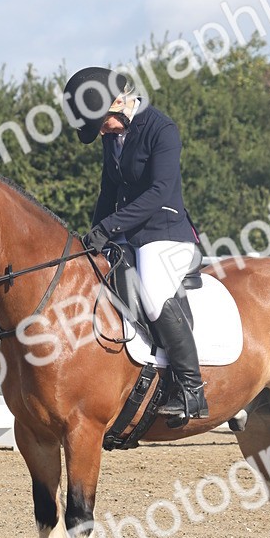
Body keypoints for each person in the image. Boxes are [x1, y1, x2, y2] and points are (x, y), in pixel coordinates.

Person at [63, 67, 208, 426]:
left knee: (154, 292)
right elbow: (108, 191)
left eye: (101, 124)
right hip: (127, 233)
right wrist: (93, 236)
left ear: (119, 102)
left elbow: (159, 192)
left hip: (166, 232)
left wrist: (110, 226)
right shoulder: (112, 135)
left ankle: (192, 389)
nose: (101, 132)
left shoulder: (162, 130)